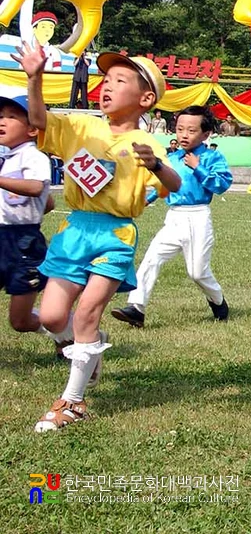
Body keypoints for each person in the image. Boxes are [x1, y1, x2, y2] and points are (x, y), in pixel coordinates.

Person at [15, 45, 180, 432]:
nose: (106, 86)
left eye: (119, 81)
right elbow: (37, 119)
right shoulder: (79, 126)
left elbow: (174, 182)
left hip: (114, 234)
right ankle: (90, 347)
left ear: (145, 99)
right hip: (75, 230)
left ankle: (72, 402)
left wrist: (154, 164)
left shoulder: (147, 143)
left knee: (88, 311)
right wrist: (34, 76)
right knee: (56, 318)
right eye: (105, 80)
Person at [111, 106, 234, 329]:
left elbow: (222, 185)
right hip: (174, 217)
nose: (184, 135)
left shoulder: (212, 157)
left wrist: (199, 168)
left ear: (206, 134)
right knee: (151, 258)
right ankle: (136, 308)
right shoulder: (171, 158)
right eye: (180, 129)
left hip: (198, 217)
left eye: (191, 130)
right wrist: (145, 200)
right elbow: (162, 184)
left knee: (197, 272)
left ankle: (218, 301)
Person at [0, 91, 58, 346]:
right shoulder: (5, 157)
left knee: (20, 321)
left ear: (33, 129)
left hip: (24, 243)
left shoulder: (34, 156)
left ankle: (67, 330)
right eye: (0, 116)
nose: (2, 121)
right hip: (3, 237)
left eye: (12, 117)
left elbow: (36, 187)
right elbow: (48, 201)